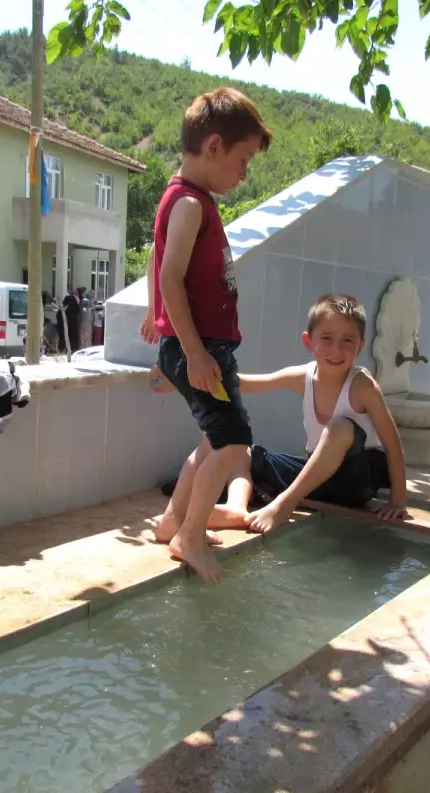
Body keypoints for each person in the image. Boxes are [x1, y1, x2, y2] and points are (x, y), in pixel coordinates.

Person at [142, 85, 272, 582]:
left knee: (215, 439)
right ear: (214, 146)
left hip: (201, 347)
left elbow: (158, 261)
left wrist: (158, 319)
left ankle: (174, 520)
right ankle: (189, 538)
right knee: (234, 441)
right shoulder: (191, 204)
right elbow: (170, 274)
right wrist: (192, 352)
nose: (244, 173)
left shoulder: (185, 200)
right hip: (202, 349)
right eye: (242, 160)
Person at [224, 293, 410, 533]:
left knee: (340, 427)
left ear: (360, 346)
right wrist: (189, 372)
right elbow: (245, 383)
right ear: (308, 341)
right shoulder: (303, 377)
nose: (337, 349)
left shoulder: (363, 386)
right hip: (319, 478)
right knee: (244, 453)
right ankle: (234, 507)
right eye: (326, 338)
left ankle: (284, 504)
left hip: (358, 481)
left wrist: (398, 501)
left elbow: (393, 445)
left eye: (347, 341)